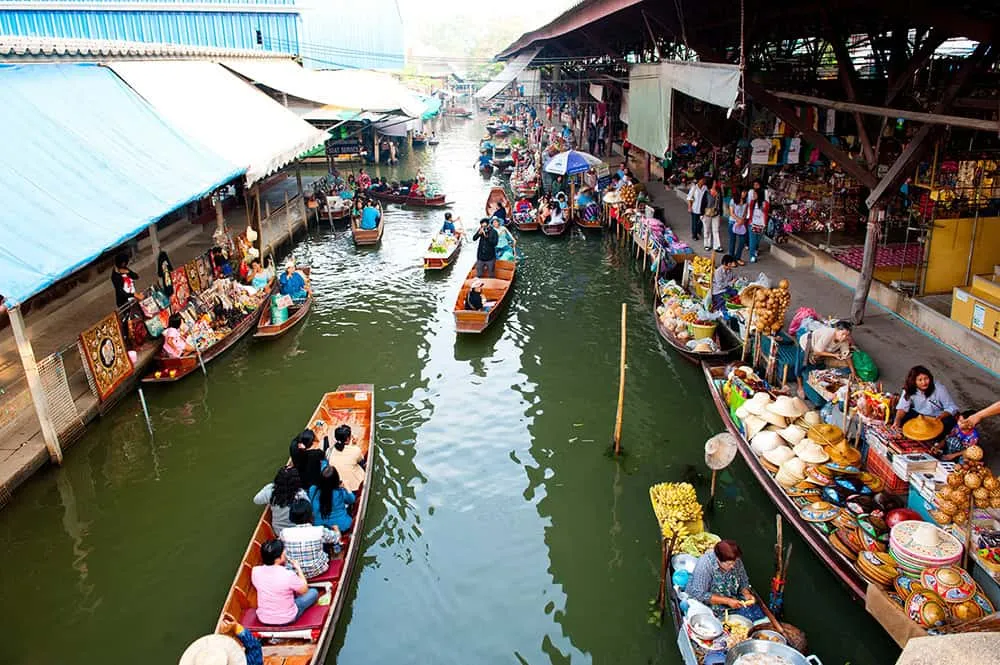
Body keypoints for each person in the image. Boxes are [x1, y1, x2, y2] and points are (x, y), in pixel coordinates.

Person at [685, 540, 763, 620]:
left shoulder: (734, 560)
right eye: (729, 564)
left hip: (732, 599)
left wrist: (746, 594)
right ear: (718, 559)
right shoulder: (705, 565)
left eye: (734, 562)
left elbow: (744, 581)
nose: (733, 566)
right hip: (708, 604)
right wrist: (727, 601)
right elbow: (699, 594)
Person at [251, 539, 319, 625]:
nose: (285, 552)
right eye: (283, 551)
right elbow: (304, 590)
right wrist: (298, 569)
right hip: (287, 618)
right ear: (278, 558)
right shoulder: (288, 575)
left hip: (264, 618)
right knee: (313, 592)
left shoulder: (255, 571)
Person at [280, 499, 340, 579]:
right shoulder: (320, 530)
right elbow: (336, 538)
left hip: (295, 573)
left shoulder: (284, 532)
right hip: (319, 569)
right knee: (326, 537)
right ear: (311, 515)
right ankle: (336, 551)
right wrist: (336, 529)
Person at [892, 365, 959, 434]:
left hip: (936, 417)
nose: (924, 382)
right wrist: (897, 421)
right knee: (898, 418)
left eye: (926, 378)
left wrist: (940, 417)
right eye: (920, 380)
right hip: (919, 415)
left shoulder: (939, 388)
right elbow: (902, 408)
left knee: (949, 423)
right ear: (914, 381)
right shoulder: (909, 389)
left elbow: (951, 407)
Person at [797, 320, 855, 398]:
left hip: (819, 352)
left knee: (815, 370)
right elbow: (817, 351)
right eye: (842, 334)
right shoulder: (829, 334)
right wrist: (834, 355)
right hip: (807, 345)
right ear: (836, 330)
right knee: (800, 367)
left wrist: (853, 371)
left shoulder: (844, 341)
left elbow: (847, 356)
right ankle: (800, 387)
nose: (844, 337)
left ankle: (812, 388)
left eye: (847, 335)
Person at [254, 466, 309, 534]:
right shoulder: (301, 494)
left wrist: (269, 486)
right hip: (297, 530)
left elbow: (256, 500)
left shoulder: (271, 491)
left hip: (278, 531)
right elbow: (308, 509)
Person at [309, 466, 356, 532]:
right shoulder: (339, 492)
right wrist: (347, 486)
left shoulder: (312, 490)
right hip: (342, 526)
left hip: (320, 528)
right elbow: (352, 500)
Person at [328, 424, 366, 491]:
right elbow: (361, 460)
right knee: (362, 462)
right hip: (355, 487)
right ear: (348, 438)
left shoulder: (330, 451)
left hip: (338, 485)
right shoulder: (356, 450)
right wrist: (354, 445)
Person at [746, 181, 768, 264]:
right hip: (752, 223)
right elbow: (750, 208)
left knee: (757, 240)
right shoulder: (752, 202)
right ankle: (752, 256)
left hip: (761, 224)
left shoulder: (765, 203)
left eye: (755, 194)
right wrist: (753, 200)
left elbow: (766, 210)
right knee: (752, 240)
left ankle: (755, 249)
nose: (753, 195)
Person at [701, 180, 724, 252]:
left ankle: (717, 246)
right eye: (714, 182)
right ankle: (707, 244)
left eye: (715, 182)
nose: (715, 183)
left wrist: (721, 213)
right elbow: (703, 203)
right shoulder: (706, 193)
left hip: (716, 213)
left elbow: (720, 203)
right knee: (707, 230)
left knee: (716, 230)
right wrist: (701, 214)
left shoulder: (719, 192)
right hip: (707, 214)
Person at [728, 189, 749, 262]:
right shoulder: (733, 200)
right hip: (733, 223)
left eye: (745, 192)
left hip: (741, 223)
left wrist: (742, 220)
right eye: (743, 192)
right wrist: (738, 220)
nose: (745, 193)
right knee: (732, 241)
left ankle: (738, 257)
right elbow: (731, 213)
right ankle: (731, 260)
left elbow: (745, 212)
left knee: (742, 241)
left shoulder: (746, 201)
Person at [686, 178, 708, 242]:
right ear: (699, 180)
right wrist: (689, 207)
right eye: (702, 180)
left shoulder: (705, 187)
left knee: (701, 221)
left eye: (704, 180)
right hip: (695, 208)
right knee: (694, 222)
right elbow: (689, 198)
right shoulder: (694, 187)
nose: (704, 181)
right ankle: (694, 235)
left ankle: (698, 231)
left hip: (702, 209)